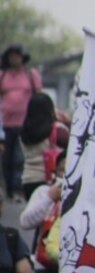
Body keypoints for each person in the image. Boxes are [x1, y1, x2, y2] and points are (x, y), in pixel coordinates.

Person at [19, 149, 69, 273]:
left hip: (73, 264)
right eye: (62, 170)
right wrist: (50, 197)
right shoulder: (43, 192)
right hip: (45, 262)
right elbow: (25, 221)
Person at [0, 44, 42, 201]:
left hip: (25, 124)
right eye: (11, 56)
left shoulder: (31, 75)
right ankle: (8, 190)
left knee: (19, 158)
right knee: (6, 159)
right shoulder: (3, 75)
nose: (14, 59)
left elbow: (39, 98)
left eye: (17, 55)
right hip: (6, 125)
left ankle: (18, 189)